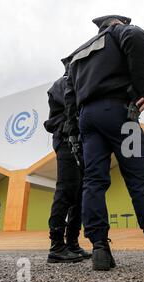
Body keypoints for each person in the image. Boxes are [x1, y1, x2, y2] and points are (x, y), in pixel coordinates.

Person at [63, 15, 144, 271]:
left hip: (87, 118)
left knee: (93, 182)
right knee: (138, 180)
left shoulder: (78, 55)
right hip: (119, 113)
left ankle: (100, 248)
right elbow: (137, 37)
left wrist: (74, 131)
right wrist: (143, 91)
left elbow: (68, 95)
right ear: (115, 22)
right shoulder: (120, 32)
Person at [43, 74, 92, 264]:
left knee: (79, 193)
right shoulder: (63, 83)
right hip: (65, 140)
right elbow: (73, 103)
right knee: (66, 189)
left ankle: (72, 242)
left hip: (79, 141)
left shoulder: (74, 80)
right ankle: (56, 245)